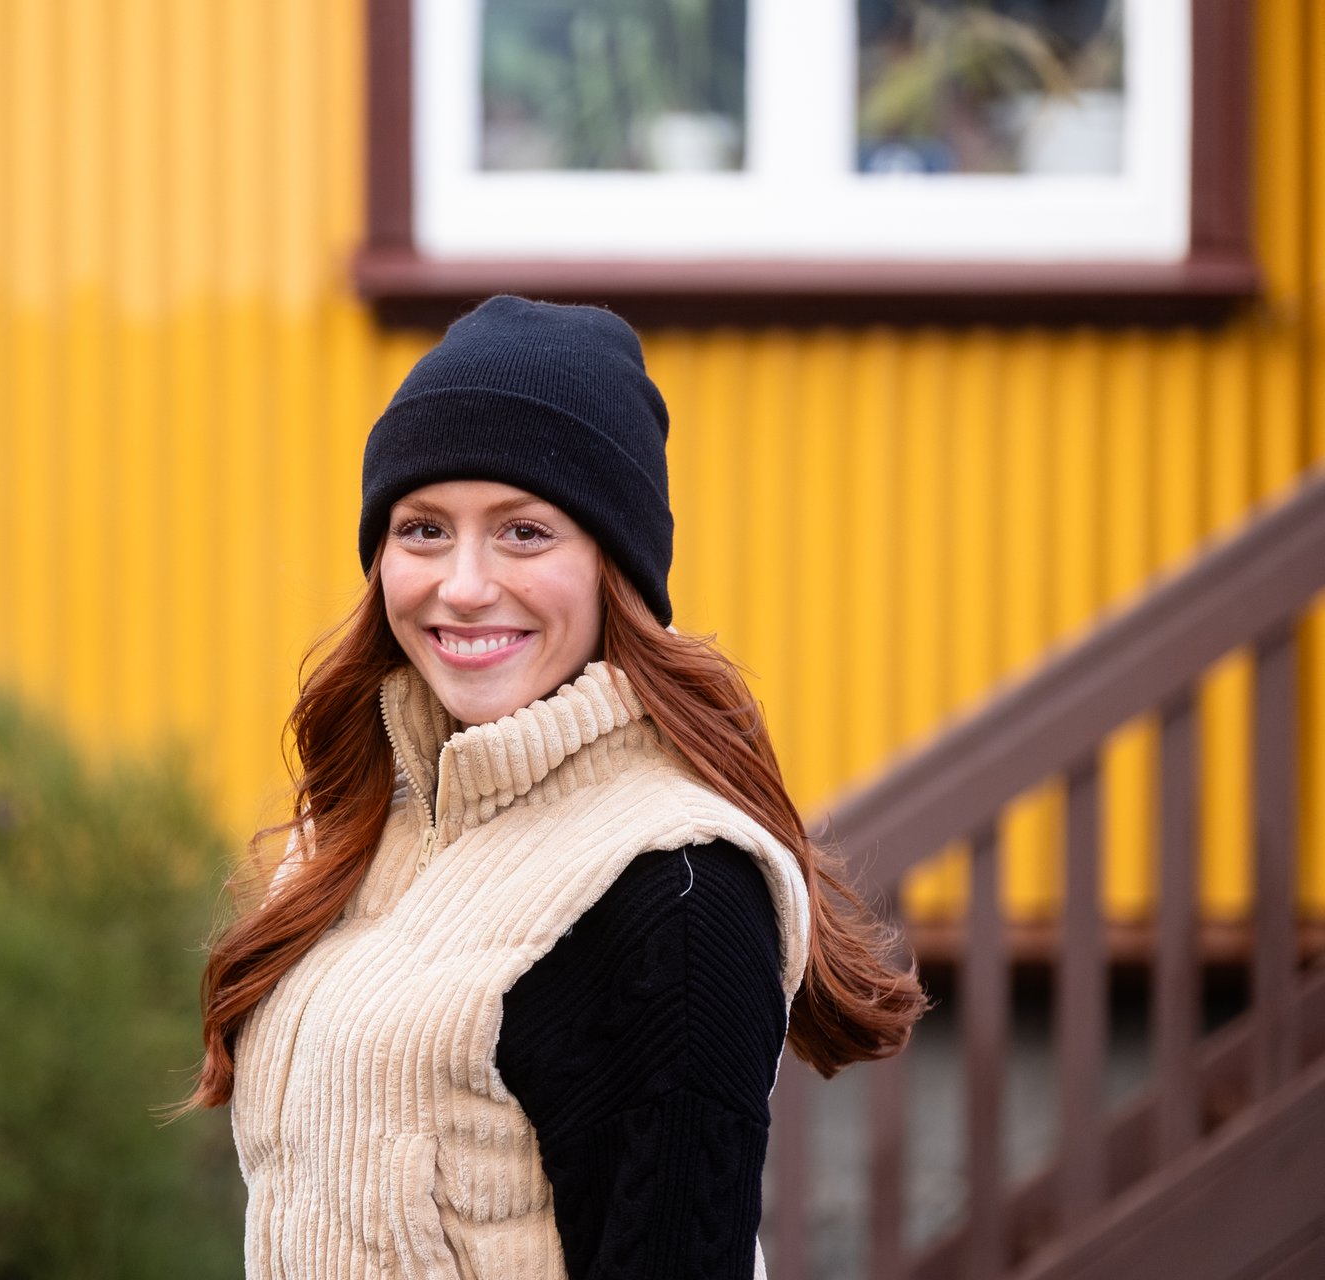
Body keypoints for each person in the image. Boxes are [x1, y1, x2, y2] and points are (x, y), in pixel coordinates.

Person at [186, 295, 926, 1278]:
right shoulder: (360, 824)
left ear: (614, 565)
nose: (463, 584)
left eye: (525, 532)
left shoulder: (674, 887)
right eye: (423, 528)